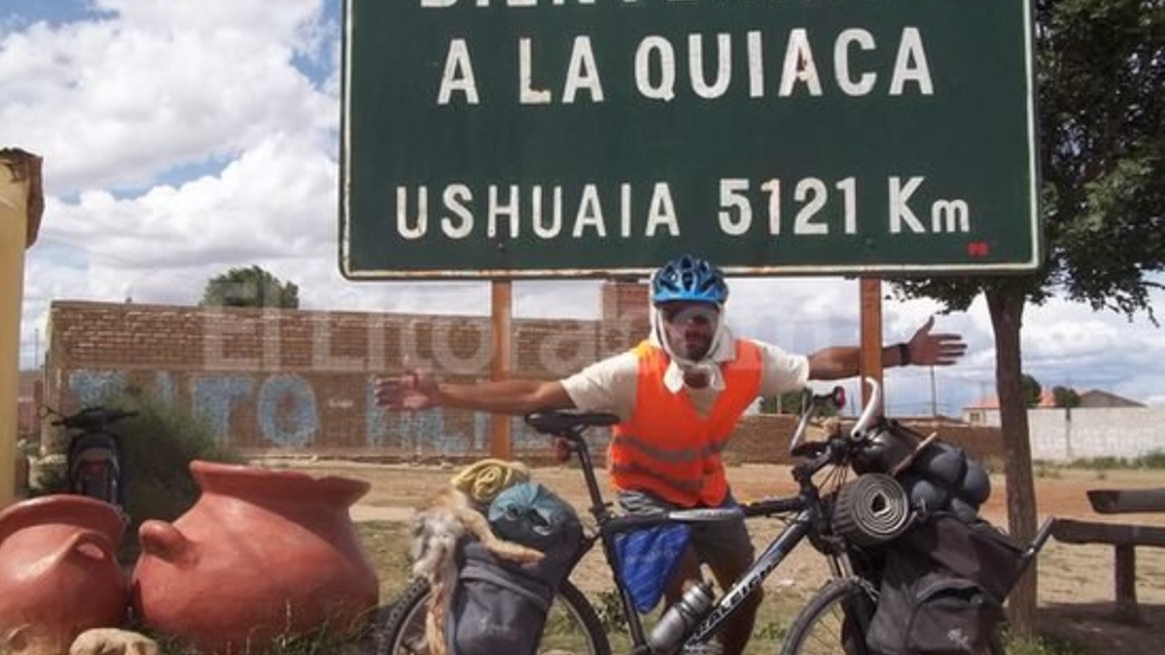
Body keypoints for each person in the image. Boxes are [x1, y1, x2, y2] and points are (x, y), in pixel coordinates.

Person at [374, 254, 966, 655]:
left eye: (701, 317)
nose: (690, 328)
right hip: (644, 493)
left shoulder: (747, 361)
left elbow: (820, 363)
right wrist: (443, 394)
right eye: (678, 316)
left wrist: (901, 353)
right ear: (662, 317)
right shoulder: (632, 370)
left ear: (717, 318)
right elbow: (537, 394)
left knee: (746, 594)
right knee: (690, 601)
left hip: (708, 491)